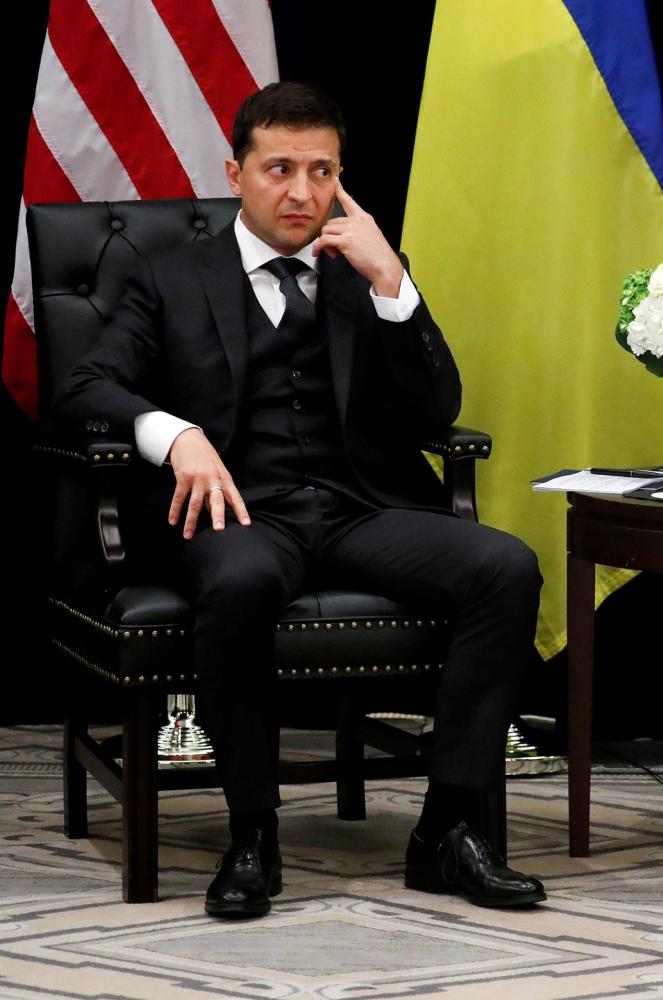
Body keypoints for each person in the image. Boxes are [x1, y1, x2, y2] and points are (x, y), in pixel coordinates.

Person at [57, 82, 546, 919]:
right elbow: (84, 385)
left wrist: (394, 281)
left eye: (322, 172)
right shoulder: (169, 276)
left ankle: (450, 827)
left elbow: (435, 410)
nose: (302, 192)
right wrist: (172, 434)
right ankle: (252, 833)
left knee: (506, 565)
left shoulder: (361, 271)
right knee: (240, 582)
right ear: (236, 173)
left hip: (359, 506)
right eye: (279, 168)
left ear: (341, 178)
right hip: (237, 512)